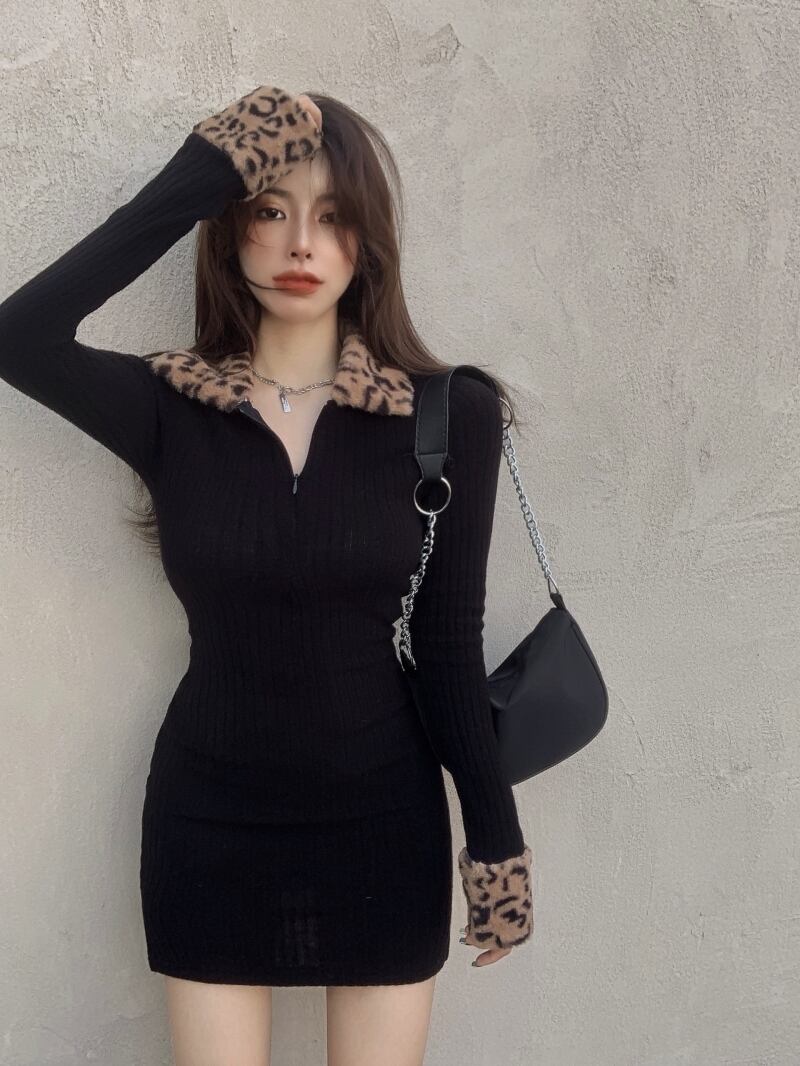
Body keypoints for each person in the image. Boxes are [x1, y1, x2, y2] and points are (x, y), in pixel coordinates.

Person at [0, 83, 534, 1066]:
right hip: (209, 822)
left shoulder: (445, 415)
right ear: (229, 229)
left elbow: (449, 648)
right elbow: (17, 335)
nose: (299, 244)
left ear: (368, 240)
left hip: (384, 821)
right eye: (269, 211)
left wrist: (493, 841)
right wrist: (204, 172)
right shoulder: (171, 407)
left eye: (331, 217)